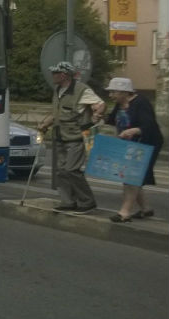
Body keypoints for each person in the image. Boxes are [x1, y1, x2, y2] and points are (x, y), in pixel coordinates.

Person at [38, 61, 105, 213]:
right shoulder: (58, 90)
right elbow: (57, 113)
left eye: (55, 73)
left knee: (71, 170)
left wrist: (97, 113)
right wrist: (45, 124)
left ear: (64, 75)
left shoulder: (81, 90)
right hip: (60, 136)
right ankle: (68, 202)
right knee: (61, 171)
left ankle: (87, 201)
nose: (52, 76)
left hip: (76, 137)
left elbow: (100, 104)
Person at [103, 77, 164, 222]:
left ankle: (125, 212)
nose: (110, 95)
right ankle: (146, 209)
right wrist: (100, 115)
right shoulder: (120, 104)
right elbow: (112, 120)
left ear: (125, 92)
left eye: (113, 92)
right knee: (131, 176)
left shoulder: (141, 103)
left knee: (132, 177)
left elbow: (148, 125)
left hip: (146, 143)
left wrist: (132, 131)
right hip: (130, 145)